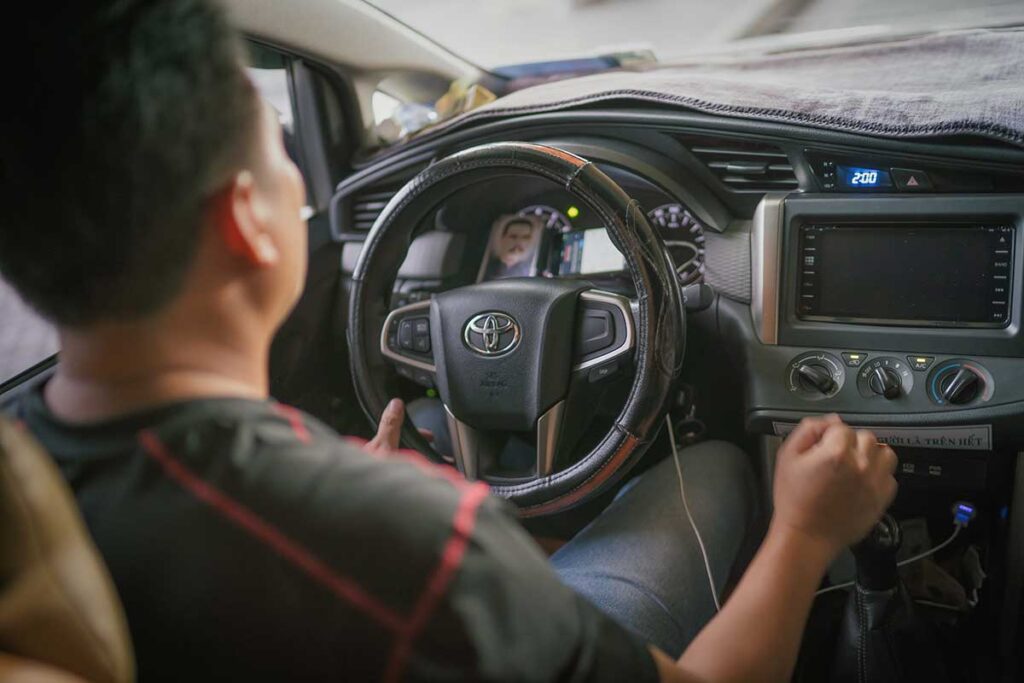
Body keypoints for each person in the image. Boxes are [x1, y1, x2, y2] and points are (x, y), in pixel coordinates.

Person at [0, 1, 897, 681]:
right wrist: (808, 529)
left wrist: (366, 489)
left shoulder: (25, 473)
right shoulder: (406, 543)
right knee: (716, 470)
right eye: (278, 157)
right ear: (248, 221)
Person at [481, 215, 542, 280]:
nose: (519, 242)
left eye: (525, 237)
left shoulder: (530, 270)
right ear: (503, 238)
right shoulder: (489, 265)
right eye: (513, 236)